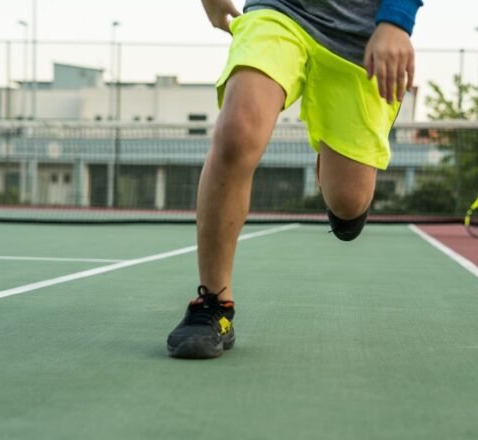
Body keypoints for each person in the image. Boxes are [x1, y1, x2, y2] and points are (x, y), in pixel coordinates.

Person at [167, 0, 423, 359]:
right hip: (279, 10)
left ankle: (332, 156)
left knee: (348, 204)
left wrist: (397, 20)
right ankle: (213, 304)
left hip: (361, 37)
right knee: (236, 133)